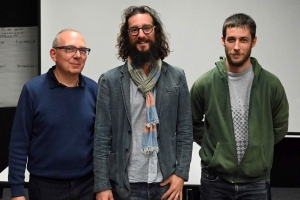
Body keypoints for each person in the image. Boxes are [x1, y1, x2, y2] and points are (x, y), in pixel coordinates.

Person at [93, 5, 193, 200]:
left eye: (147, 28)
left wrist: (181, 174)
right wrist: (102, 185)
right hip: (126, 185)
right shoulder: (110, 80)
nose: (141, 34)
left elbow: (185, 130)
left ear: (156, 31)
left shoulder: (176, 76)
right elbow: (102, 137)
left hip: (166, 183)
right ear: (126, 35)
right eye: (134, 30)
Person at [190, 13, 289, 200]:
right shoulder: (204, 83)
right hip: (215, 181)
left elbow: (280, 126)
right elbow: (192, 122)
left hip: (257, 182)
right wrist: (216, 148)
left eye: (243, 40)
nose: (236, 47)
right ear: (223, 41)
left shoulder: (271, 84)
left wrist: (259, 150)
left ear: (254, 41)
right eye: (231, 39)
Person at [8, 29, 97, 200]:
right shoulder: (33, 90)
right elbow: (19, 143)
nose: (78, 55)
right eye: (69, 49)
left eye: (83, 50)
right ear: (53, 54)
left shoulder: (94, 90)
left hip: (87, 186)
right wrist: (17, 191)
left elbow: (102, 142)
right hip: (46, 187)